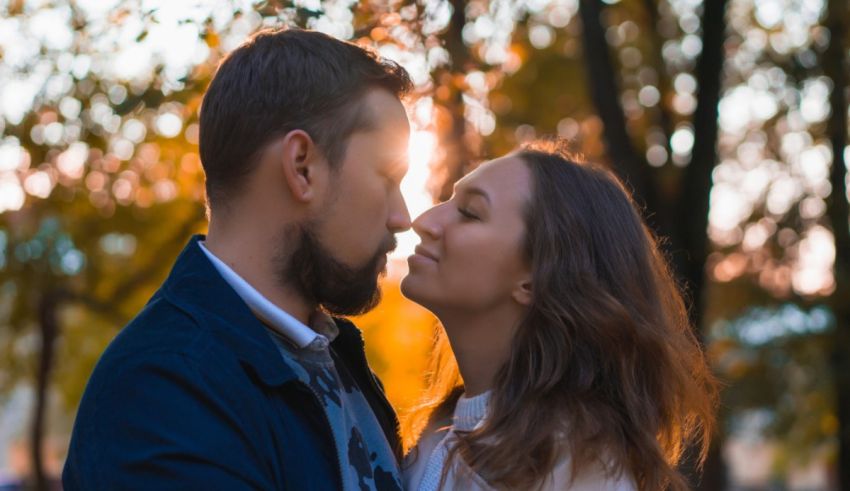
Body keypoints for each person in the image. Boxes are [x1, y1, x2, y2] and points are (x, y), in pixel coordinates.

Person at [63, 28, 413, 491]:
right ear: (302, 166)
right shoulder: (161, 389)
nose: (403, 217)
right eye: (388, 177)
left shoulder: (335, 358)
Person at [399, 140, 718, 490]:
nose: (424, 221)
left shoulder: (578, 472)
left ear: (537, 277)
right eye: (449, 202)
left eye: (470, 212)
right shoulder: (439, 432)